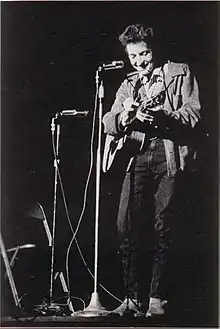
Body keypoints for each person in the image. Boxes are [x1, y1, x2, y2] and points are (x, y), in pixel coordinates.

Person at [102, 24, 201, 317]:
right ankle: (132, 300)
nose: (139, 61)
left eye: (143, 53)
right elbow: (108, 122)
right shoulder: (128, 84)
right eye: (133, 56)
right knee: (126, 226)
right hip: (136, 157)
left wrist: (164, 116)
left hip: (168, 154)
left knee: (163, 227)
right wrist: (126, 114)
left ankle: (157, 299)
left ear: (154, 49)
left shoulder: (180, 73)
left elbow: (194, 112)